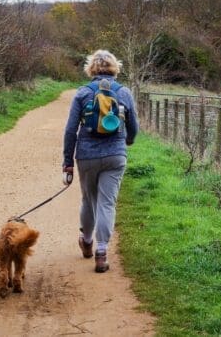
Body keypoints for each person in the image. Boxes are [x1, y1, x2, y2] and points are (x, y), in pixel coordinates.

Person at [62, 49, 138, 273]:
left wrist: (67, 161)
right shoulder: (124, 92)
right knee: (107, 203)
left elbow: (70, 131)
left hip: (86, 155)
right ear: (115, 68)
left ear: (91, 68)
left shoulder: (83, 93)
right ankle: (102, 252)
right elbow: (133, 126)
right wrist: (128, 141)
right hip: (115, 155)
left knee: (88, 200)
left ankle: (86, 241)